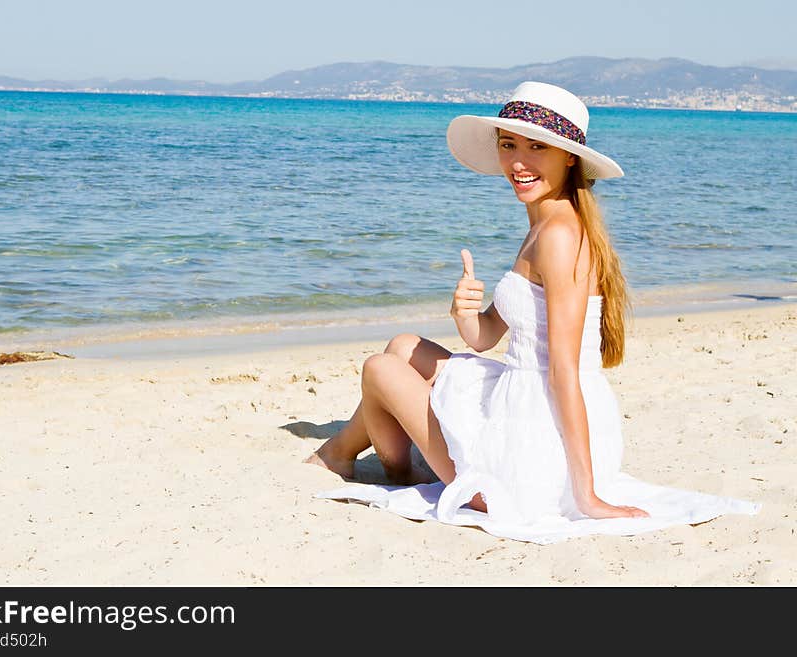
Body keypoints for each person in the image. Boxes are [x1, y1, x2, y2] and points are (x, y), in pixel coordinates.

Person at [305, 81, 759, 543]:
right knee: (403, 346)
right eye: (509, 145)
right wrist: (465, 312)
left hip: (535, 436)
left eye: (536, 147)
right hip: (520, 394)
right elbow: (484, 339)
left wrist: (587, 496)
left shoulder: (559, 237)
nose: (518, 163)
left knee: (381, 368)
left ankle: (369, 463)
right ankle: (349, 455)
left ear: (569, 157)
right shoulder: (546, 224)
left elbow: (564, 370)